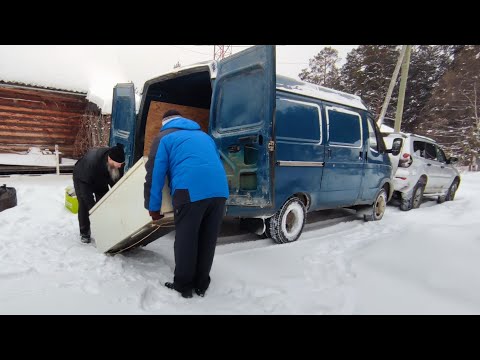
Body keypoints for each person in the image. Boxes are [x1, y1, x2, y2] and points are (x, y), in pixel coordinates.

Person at [144, 110, 229, 298]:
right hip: (219, 190)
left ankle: (183, 285)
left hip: (190, 191)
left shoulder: (164, 137)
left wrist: (153, 207)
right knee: (207, 239)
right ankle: (201, 284)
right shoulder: (204, 136)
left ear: (165, 122)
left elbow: (154, 174)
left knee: (186, 240)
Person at [73, 143, 125, 243]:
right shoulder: (92, 162)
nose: (120, 166)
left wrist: (118, 195)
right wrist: (93, 209)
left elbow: (116, 182)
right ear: (109, 159)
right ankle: (85, 232)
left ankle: (103, 230)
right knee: (84, 205)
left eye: (121, 164)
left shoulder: (118, 162)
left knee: (103, 202)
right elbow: (85, 193)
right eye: (118, 164)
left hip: (101, 179)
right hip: (82, 177)